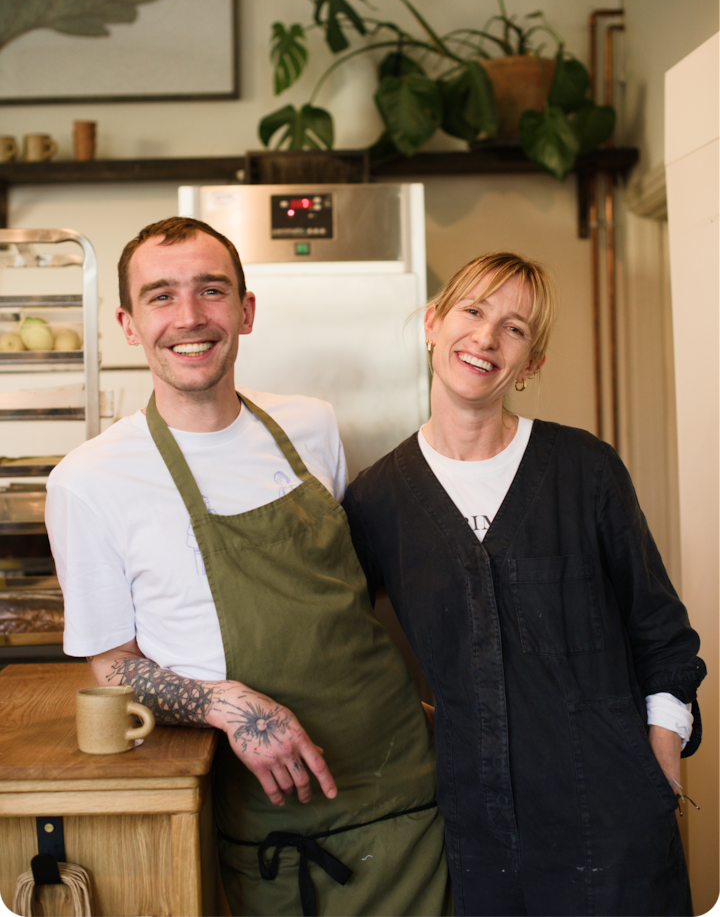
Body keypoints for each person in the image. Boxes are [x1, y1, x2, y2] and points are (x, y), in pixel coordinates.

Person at [45, 217, 453, 917]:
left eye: (212, 290)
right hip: (275, 817)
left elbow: (344, 596)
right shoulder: (89, 480)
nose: (190, 317)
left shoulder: (313, 427)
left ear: (246, 309)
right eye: (161, 296)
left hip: (411, 784)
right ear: (128, 323)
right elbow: (111, 662)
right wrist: (224, 702)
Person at [341, 251, 706, 917]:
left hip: (614, 819)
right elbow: (335, 637)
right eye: (473, 311)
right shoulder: (379, 499)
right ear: (432, 322)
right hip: (477, 830)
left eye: (514, 328)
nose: (485, 337)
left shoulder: (586, 471)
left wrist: (659, 763)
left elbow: (665, 637)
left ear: (531, 364)